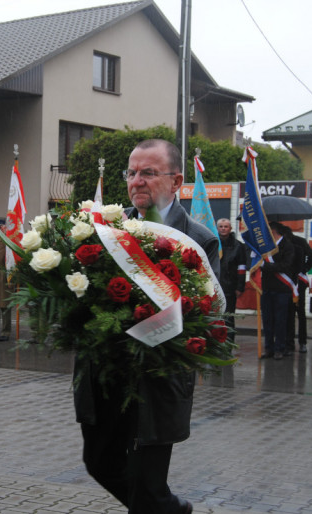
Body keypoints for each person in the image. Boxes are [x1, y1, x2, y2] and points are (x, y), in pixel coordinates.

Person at [75, 139, 219, 514]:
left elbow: (212, 315)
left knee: (145, 481)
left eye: (149, 173)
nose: (137, 181)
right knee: (100, 464)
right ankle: (170, 509)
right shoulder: (105, 227)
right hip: (106, 374)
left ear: (176, 181)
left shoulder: (199, 241)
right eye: (132, 172)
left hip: (157, 379)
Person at [258, 222, 296, 360]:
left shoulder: (288, 246)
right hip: (267, 287)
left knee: (280, 320)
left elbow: (285, 266)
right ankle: (269, 348)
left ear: (274, 231)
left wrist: (265, 266)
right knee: (267, 320)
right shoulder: (267, 247)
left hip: (282, 289)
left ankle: (280, 348)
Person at [282, 225, 312, 355]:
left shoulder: (300, 242)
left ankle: (302, 342)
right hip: (287, 281)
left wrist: (304, 269)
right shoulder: (281, 244)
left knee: (299, 313)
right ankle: (290, 342)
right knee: (289, 313)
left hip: (298, 282)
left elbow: (311, 258)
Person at [216, 218, 246, 339]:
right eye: (221, 226)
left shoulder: (238, 246)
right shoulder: (213, 243)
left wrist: (240, 286)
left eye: (226, 226)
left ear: (230, 228)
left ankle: (228, 342)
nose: (223, 229)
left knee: (228, 317)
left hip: (230, 287)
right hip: (215, 286)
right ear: (217, 229)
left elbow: (242, 268)